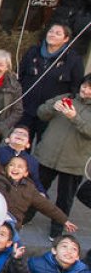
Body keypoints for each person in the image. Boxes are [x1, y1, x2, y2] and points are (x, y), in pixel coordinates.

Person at [34, 76, 91, 238]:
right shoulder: (67, 97)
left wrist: (75, 118)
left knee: (64, 199)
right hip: (48, 155)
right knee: (37, 190)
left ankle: (57, 228)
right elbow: (41, 112)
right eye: (84, 86)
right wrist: (53, 107)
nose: (85, 90)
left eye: (90, 88)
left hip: (74, 162)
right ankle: (25, 217)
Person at [19, 23, 84, 139]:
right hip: (26, 109)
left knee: (43, 148)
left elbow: (76, 88)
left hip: (52, 113)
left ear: (66, 39)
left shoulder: (73, 59)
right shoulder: (33, 52)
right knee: (20, 144)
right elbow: (20, 75)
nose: (52, 35)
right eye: (51, 32)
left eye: (58, 33)